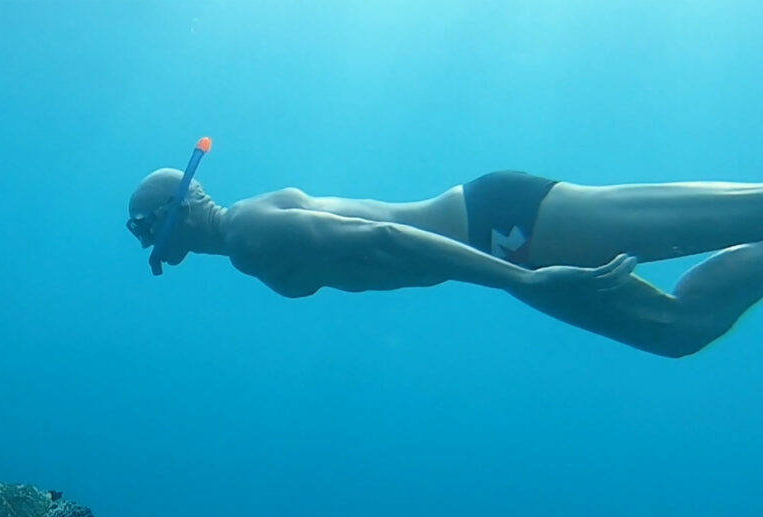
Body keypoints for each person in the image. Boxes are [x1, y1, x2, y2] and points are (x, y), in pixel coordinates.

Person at [126, 145, 763, 358]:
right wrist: (520, 279)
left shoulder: (246, 234)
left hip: (498, 227)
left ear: (167, 218)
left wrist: (528, 282)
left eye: (141, 230)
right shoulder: (246, 231)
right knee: (678, 332)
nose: (145, 243)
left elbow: (387, 238)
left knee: (746, 211)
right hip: (499, 245)